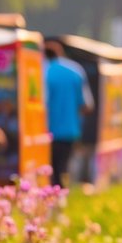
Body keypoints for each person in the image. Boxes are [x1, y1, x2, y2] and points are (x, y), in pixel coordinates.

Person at [44, 39, 91, 187]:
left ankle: (49, 200)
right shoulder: (75, 71)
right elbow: (87, 106)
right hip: (69, 131)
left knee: (47, 171)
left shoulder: (41, 70)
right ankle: (61, 199)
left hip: (44, 131)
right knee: (62, 168)